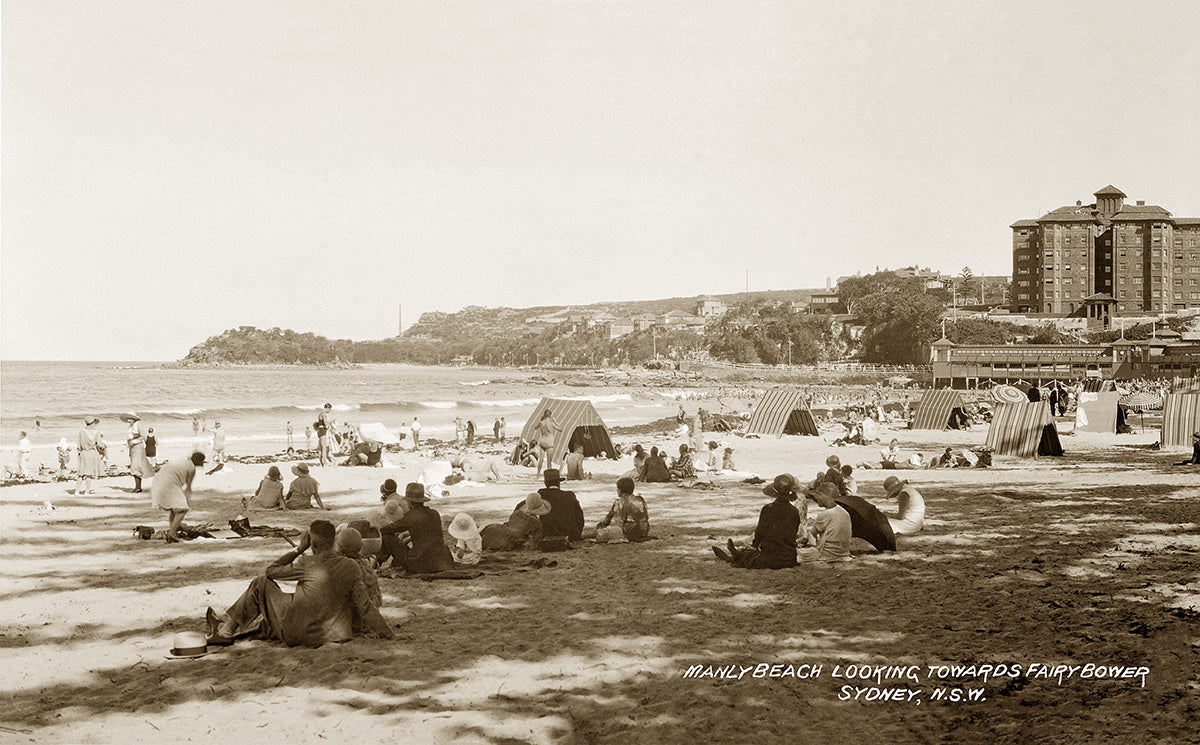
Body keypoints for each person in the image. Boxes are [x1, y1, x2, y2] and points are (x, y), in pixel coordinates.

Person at [205, 520, 393, 648]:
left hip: (301, 635)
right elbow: (365, 607)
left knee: (260, 584)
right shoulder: (352, 566)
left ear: (313, 544)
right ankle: (232, 626)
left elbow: (271, 571)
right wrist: (388, 634)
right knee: (295, 600)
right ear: (334, 541)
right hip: (336, 634)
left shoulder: (307, 563)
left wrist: (298, 549)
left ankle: (226, 632)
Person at [711, 474, 801, 569]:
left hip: (770, 558)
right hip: (789, 558)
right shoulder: (795, 511)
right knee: (752, 554)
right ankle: (737, 554)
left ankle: (734, 556)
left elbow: (760, 532)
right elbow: (792, 533)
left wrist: (754, 546)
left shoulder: (767, 509)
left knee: (749, 556)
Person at [378, 483, 455, 573]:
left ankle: (377, 562)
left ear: (410, 502)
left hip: (420, 563)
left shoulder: (411, 516)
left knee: (387, 538)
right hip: (441, 561)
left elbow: (387, 529)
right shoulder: (434, 513)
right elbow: (427, 534)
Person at [150, 452, 207, 542]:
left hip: (157, 482)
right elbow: (188, 487)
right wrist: (187, 502)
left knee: (174, 508)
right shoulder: (191, 467)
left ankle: (173, 530)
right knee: (182, 509)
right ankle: (172, 532)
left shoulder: (183, 461)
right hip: (169, 484)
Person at [800, 481, 853, 562]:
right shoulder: (844, 512)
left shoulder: (824, 514)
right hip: (844, 552)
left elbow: (812, 533)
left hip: (828, 553)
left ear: (822, 495)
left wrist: (811, 545)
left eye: (817, 497)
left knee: (797, 554)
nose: (816, 500)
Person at [480, 493, 548, 551]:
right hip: (505, 539)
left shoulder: (517, 513)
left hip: (494, 528)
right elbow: (535, 544)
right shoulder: (536, 523)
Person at [595, 477, 650, 543]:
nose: (616, 490)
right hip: (643, 530)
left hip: (629, 532)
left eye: (617, 488)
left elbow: (614, 521)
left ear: (621, 490)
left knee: (602, 532)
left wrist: (601, 526)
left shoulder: (619, 502)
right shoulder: (640, 499)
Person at [538, 469, 584, 541]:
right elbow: (579, 517)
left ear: (546, 484)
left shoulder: (542, 494)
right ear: (558, 483)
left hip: (547, 534)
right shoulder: (569, 495)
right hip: (569, 534)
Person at [124, 414, 156, 492]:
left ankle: (138, 487)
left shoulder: (138, 425)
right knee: (135, 466)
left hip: (138, 447)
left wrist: (134, 441)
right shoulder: (131, 426)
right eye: (128, 419)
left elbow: (143, 436)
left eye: (130, 419)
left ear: (134, 419)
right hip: (132, 448)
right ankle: (138, 487)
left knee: (136, 466)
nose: (128, 420)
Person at [75, 417, 105, 495]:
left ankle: (77, 491)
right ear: (93, 423)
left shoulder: (81, 431)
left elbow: (78, 444)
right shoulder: (97, 432)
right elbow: (99, 444)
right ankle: (87, 491)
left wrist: (79, 453)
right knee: (89, 473)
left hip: (84, 452)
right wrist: (103, 448)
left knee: (81, 473)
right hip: (92, 453)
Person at [532, 410, 561, 476]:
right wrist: (554, 420)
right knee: (549, 462)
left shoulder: (541, 423)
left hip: (543, 441)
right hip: (550, 442)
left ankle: (538, 475)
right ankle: (549, 476)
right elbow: (560, 429)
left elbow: (535, 428)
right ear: (550, 415)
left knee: (541, 460)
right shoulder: (551, 423)